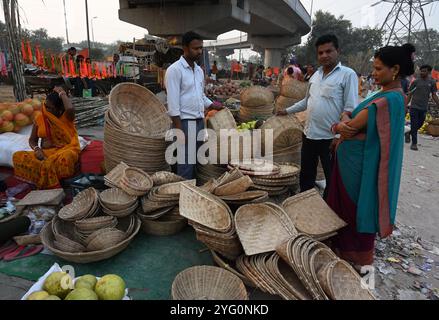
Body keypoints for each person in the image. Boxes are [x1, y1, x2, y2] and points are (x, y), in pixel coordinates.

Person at [326, 43, 415, 268]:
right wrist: (347, 120)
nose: (373, 73)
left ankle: (355, 256)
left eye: (378, 69)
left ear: (394, 69)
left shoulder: (388, 100)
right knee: (344, 208)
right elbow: (351, 119)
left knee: (354, 209)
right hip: (351, 163)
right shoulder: (384, 94)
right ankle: (342, 250)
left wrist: (340, 124)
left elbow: (349, 126)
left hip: (358, 169)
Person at [277, 34, 359, 197]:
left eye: (329, 51)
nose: (324, 55)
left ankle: (329, 206)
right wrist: (286, 111)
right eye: (320, 53)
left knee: (332, 176)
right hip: (309, 133)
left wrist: (338, 135)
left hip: (330, 137)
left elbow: (350, 108)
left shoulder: (347, 75)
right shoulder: (315, 76)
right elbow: (306, 102)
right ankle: (304, 200)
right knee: (306, 173)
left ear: (338, 51)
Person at [165, 32, 223, 179]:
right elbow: (172, 104)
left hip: (198, 122)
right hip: (184, 123)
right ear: (185, 48)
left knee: (197, 161)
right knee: (185, 164)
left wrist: (212, 105)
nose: (199, 52)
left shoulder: (199, 71)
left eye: (201, 48)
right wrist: (179, 130)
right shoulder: (174, 70)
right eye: (195, 48)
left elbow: (200, 96)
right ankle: (183, 196)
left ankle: (194, 194)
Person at [13, 87, 80, 189]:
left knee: (67, 157)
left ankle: (54, 180)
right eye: (45, 106)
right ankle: (47, 173)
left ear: (59, 110)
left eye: (50, 108)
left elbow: (70, 109)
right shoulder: (40, 118)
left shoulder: (67, 117)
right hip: (45, 153)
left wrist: (62, 93)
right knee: (18, 156)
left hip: (64, 151)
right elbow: (32, 140)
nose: (46, 110)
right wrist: (36, 149)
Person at [406, 65, 439, 150]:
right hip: (414, 106)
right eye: (421, 71)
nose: (422, 72)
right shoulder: (415, 82)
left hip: (423, 107)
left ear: (428, 72)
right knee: (414, 124)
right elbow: (410, 94)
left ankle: (409, 133)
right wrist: (405, 105)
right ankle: (414, 143)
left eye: (424, 71)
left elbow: (434, 95)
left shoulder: (432, 82)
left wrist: (438, 103)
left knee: (420, 124)